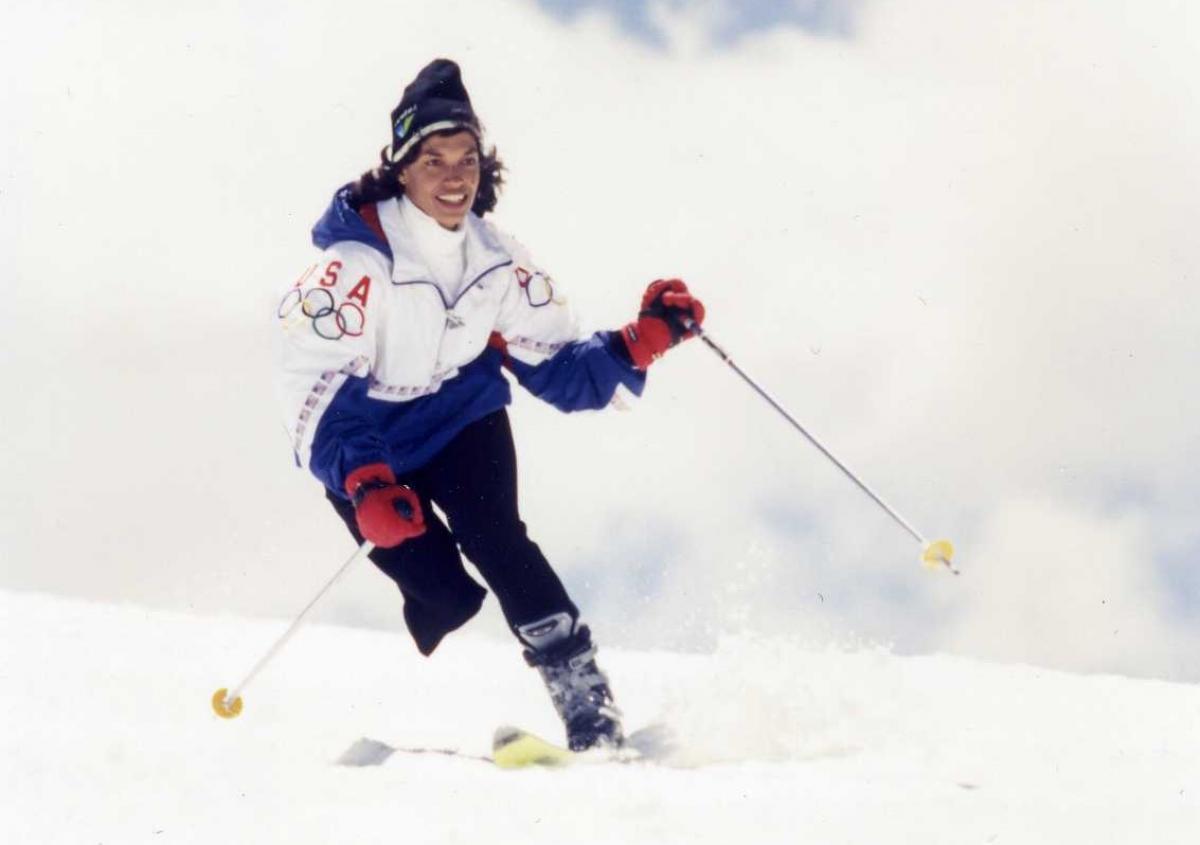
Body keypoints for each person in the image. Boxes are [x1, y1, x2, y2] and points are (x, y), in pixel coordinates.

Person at [273, 58, 705, 751]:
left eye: (467, 158)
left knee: (499, 539)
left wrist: (639, 341)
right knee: (445, 597)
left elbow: (561, 367)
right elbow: (313, 383)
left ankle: (589, 707)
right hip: (369, 443)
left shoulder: (497, 259)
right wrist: (363, 480)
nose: (453, 178)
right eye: (434, 160)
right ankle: (435, 599)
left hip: (460, 414)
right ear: (401, 169)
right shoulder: (355, 263)